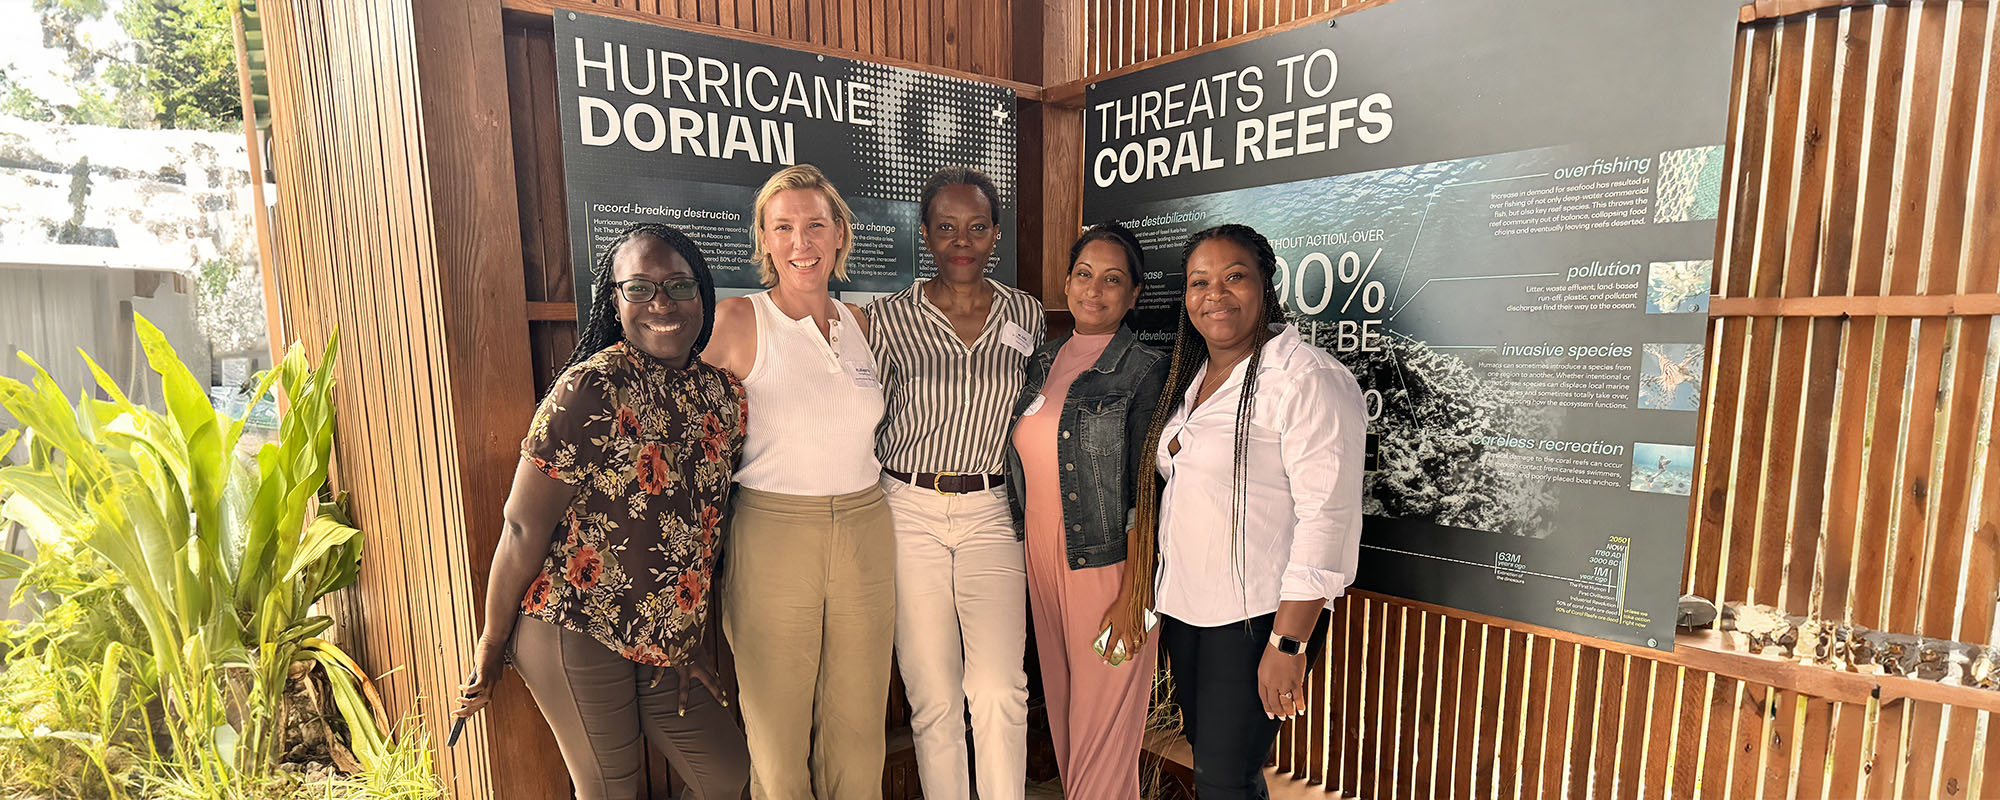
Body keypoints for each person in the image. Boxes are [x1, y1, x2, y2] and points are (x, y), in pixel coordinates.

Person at [452, 222, 750, 800]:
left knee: (732, 777)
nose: (660, 302)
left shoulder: (723, 395)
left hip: (662, 639)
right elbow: (520, 525)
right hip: (576, 625)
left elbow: (702, 526)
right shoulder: (590, 388)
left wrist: (686, 641)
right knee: (612, 792)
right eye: (638, 288)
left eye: (678, 286)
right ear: (614, 303)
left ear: (702, 295)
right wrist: (491, 643)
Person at [1110, 223, 1365, 800]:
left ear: (1264, 285)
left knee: (1226, 780)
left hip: (1257, 620)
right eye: (1199, 282)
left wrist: (1289, 645)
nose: (1215, 295)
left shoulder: (1307, 380)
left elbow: (1327, 520)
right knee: (1217, 772)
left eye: (1234, 278)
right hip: (1190, 611)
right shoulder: (1196, 377)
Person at [700, 163, 893, 800]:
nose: (801, 242)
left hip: (866, 528)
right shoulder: (737, 319)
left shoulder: (863, 324)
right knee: (778, 740)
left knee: (859, 729)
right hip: (774, 531)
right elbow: (670, 416)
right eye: (783, 227)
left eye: (815, 224)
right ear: (764, 238)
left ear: (841, 234)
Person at [865, 166, 1044, 800]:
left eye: (975, 227)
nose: (961, 242)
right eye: (946, 228)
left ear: (996, 233)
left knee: (999, 687)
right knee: (933, 694)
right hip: (907, 507)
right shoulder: (887, 319)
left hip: (994, 509)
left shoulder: (1024, 314)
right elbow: (863, 412)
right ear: (925, 235)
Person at [1004, 222, 1168, 799]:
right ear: (1068, 281)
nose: (1094, 290)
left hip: (1107, 568)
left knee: (1103, 729)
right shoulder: (1043, 360)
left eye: (1113, 279)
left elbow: (1149, 492)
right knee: (1071, 718)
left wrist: (1135, 592)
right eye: (1084, 274)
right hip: (1043, 560)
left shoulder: (1147, 369)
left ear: (1134, 294)